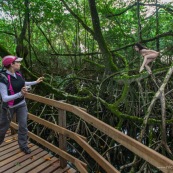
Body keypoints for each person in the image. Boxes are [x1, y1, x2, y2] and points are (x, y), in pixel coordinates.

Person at [0, 55, 44, 154]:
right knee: (3, 128)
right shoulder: (3, 79)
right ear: (11, 64)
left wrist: (35, 82)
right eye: (18, 62)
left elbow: (24, 82)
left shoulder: (18, 74)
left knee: (23, 126)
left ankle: (23, 146)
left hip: (21, 104)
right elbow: (5, 98)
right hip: (8, 107)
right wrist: (20, 94)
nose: (20, 64)